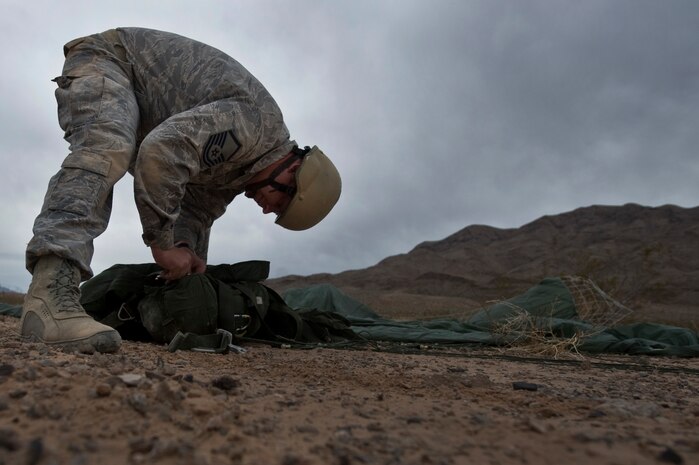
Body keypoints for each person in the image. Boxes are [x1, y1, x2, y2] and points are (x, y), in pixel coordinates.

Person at [20, 28, 341, 354]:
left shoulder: (241, 170)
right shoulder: (255, 126)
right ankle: (49, 294)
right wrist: (161, 244)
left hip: (137, 101)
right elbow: (162, 153)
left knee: (117, 147)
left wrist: (185, 248)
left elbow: (197, 209)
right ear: (292, 176)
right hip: (110, 62)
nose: (265, 209)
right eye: (278, 206)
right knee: (107, 147)